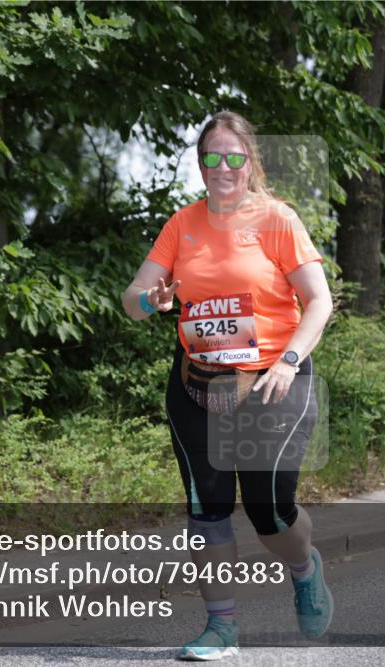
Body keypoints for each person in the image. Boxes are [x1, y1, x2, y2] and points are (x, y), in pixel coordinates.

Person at [122, 111, 335, 660]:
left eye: (233, 157)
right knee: (207, 508)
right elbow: (132, 300)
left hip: (272, 381)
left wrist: (288, 361)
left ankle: (303, 566)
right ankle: (221, 627)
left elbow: (319, 301)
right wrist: (151, 299)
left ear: (250, 162)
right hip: (198, 386)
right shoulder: (182, 224)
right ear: (200, 164)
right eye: (212, 157)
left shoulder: (277, 220)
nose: (223, 167)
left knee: (270, 512)